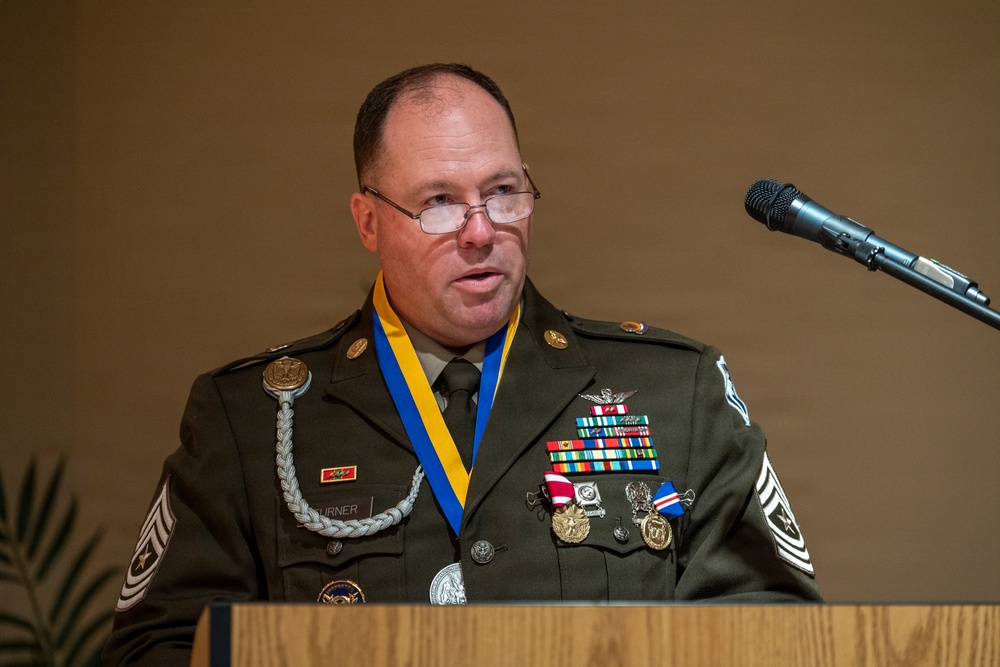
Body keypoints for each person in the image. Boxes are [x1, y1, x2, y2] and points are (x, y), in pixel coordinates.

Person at [104, 63, 821, 665]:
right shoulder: (252, 417)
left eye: (502, 192)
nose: (480, 230)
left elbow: (775, 631)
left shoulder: (674, 390)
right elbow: (159, 647)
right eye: (439, 202)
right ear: (368, 220)